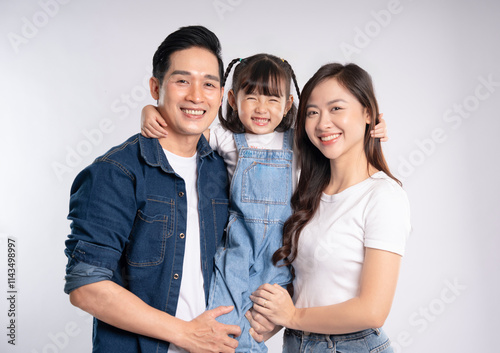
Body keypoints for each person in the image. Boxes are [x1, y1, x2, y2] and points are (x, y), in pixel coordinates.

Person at [141, 57, 389, 352]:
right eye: (252, 97)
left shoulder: (296, 141)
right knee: (225, 317)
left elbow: (331, 136)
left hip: (280, 249)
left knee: (258, 322)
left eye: (272, 99)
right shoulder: (228, 138)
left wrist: (373, 126)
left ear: (287, 106)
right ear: (232, 99)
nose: (261, 108)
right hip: (239, 246)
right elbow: (187, 131)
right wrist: (151, 110)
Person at [63, 25, 242, 353]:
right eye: (182, 80)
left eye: (209, 84)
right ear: (155, 86)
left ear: (220, 95)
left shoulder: (223, 168)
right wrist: (185, 334)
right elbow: (86, 285)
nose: (196, 96)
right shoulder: (116, 172)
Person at [249, 63, 411, 353]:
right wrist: (277, 317)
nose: (323, 123)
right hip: (298, 343)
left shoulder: (383, 196)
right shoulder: (307, 191)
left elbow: (373, 310)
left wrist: (293, 316)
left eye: (336, 109)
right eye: (312, 112)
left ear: (368, 114)